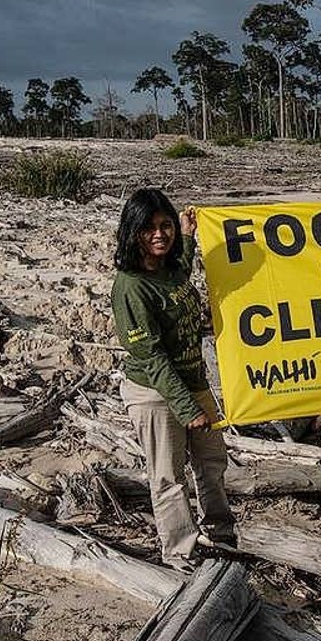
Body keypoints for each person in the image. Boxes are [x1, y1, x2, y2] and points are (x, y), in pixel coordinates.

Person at [111, 188, 235, 570]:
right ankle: (180, 552)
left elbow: (181, 269)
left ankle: (220, 532)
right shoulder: (131, 287)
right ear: (133, 233)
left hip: (192, 380)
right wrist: (186, 407)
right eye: (148, 228)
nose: (159, 234)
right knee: (168, 475)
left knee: (212, 459)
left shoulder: (168, 269)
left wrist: (190, 233)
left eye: (165, 226)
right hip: (154, 392)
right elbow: (151, 356)